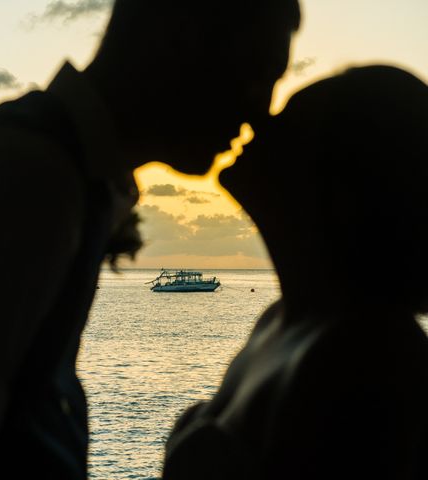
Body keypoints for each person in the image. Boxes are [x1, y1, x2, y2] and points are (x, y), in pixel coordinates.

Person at [0, 1, 301, 478]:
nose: (261, 114)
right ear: (177, 40)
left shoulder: (59, 174)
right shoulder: (25, 179)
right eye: (255, 75)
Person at [162, 65, 428, 479]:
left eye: (288, 117)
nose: (258, 121)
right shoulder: (279, 320)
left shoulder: (373, 352)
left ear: (342, 181)